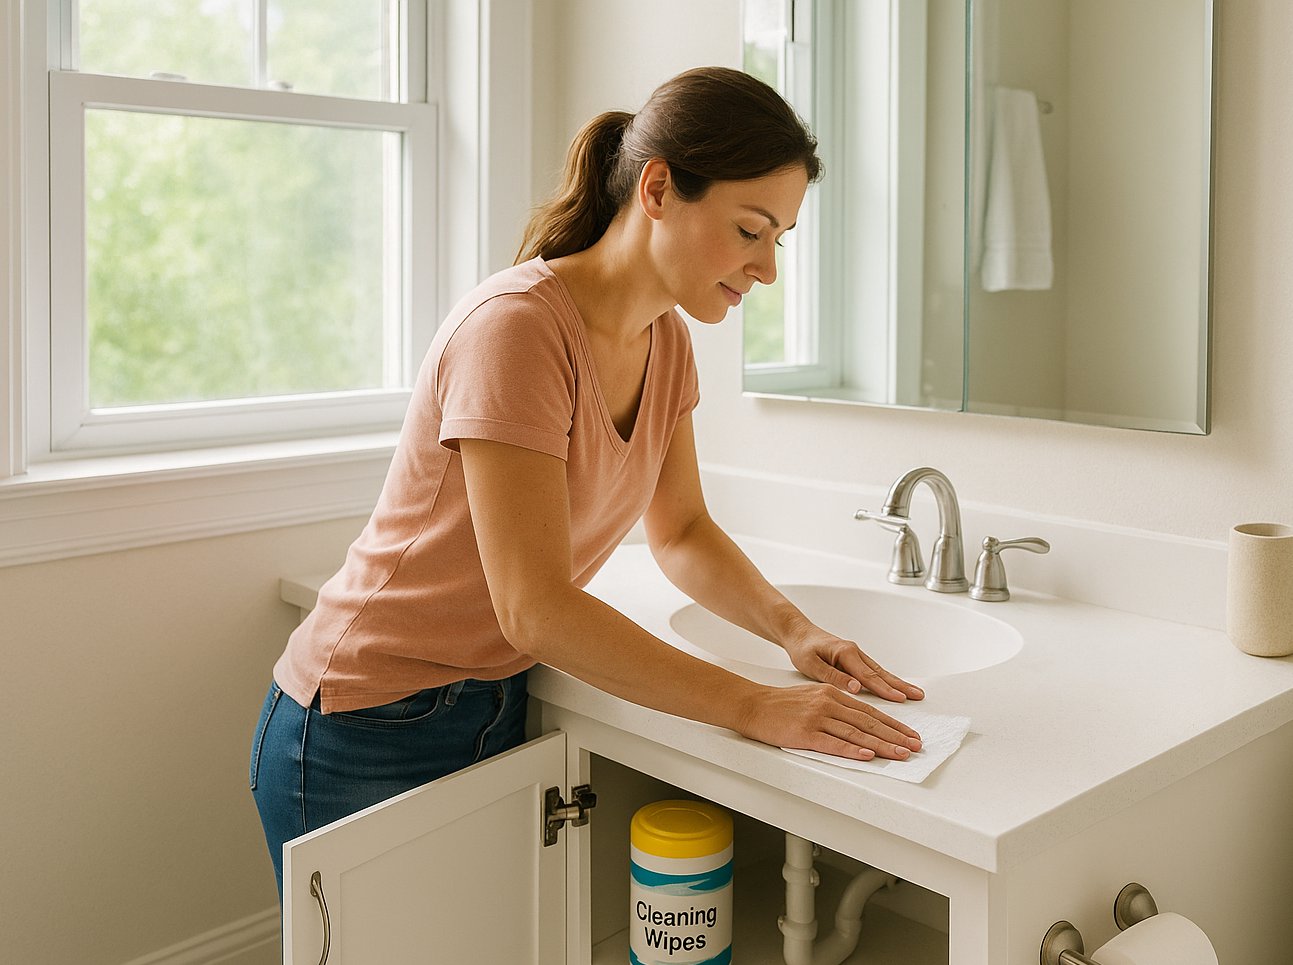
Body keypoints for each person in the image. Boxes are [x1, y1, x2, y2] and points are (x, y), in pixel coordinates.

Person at [250, 66, 924, 893]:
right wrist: (753, 705)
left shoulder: (666, 340)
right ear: (658, 189)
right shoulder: (517, 330)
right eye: (750, 230)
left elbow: (679, 532)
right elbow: (533, 608)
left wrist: (793, 632)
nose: (767, 269)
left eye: (777, 240)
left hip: (490, 704)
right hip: (368, 719)